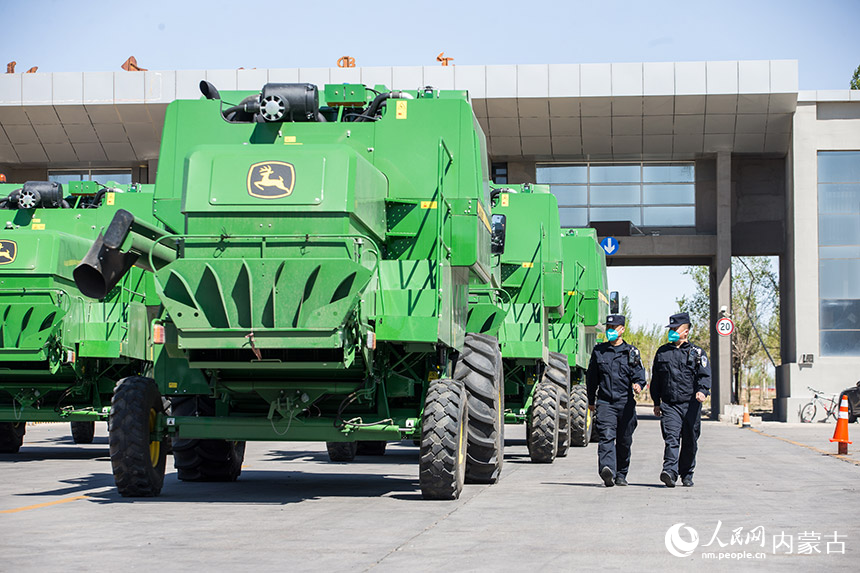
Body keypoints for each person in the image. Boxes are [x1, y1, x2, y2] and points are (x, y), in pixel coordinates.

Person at [650, 312, 711, 488]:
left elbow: (705, 376)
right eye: (671, 329)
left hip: (691, 404)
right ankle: (669, 471)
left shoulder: (697, 353)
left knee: (690, 440)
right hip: (670, 405)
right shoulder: (662, 352)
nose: (672, 332)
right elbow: (656, 380)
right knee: (671, 438)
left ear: (686, 331)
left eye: (676, 329)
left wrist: (702, 392)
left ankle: (687, 473)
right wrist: (656, 402)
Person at [586, 314, 646, 487]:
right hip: (605, 403)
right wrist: (591, 400)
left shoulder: (631, 352)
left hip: (625, 403)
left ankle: (621, 474)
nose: (610, 331)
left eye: (613, 328)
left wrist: (638, 385)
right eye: (608, 328)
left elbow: (639, 375)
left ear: (622, 329)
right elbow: (592, 378)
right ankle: (607, 469)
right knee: (606, 436)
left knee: (624, 440)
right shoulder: (599, 351)